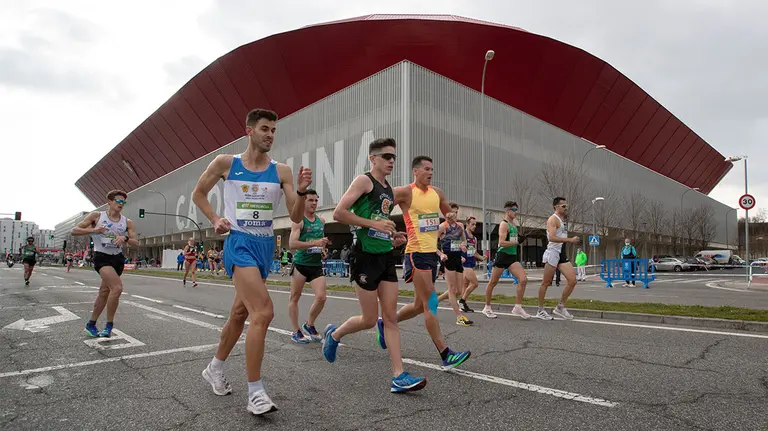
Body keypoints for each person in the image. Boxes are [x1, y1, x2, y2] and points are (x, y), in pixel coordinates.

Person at [193, 108, 311, 416]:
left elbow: (297, 216)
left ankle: (215, 368)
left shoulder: (282, 170)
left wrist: (300, 192)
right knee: (263, 311)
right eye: (264, 129)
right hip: (239, 243)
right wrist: (216, 218)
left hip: (264, 248)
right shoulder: (226, 163)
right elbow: (198, 194)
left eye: (273, 129)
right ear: (249, 131)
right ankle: (255, 392)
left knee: (239, 313)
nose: (270, 134)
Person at [322, 137, 426, 393]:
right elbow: (339, 213)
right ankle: (334, 335)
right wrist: (374, 225)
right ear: (373, 158)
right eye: (386, 156)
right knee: (369, 319)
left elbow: (379, 221)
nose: (391, 161)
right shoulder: (364, 181)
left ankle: (398, 376)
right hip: (365, 258)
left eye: (394, 157)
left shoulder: (388, 190)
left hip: (385, 258)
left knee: (390, 319)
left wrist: (393, 236)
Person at [378, 155, 471, 369]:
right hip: (416, 252)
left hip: (431, 253)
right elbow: (380, 202)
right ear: (416, 171)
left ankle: (385, 322)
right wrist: (386, 226)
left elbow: (448, 212)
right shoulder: (405, 192)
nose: (430, 172)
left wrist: (449, 217)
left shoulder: (437, 193)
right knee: (431, 302)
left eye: (432, 169)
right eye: (426, 169)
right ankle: (445, 354)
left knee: (419, 305)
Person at [72, 190, 138, 337]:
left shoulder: (127, 222)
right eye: (118, 201)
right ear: (109, 201)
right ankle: (109, 326)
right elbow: (75, 230)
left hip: (118, 259)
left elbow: (136, 242)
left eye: (123, 202)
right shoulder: (96, 216)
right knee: (117, 288)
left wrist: (125, 238)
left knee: (104, 292)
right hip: (102, 257)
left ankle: (91, 324)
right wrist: (95, 230)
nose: (121, 204)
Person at [287, 189, 329, 344]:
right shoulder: (299, 221)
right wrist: (314, 243)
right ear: (303, 202)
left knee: (321, 297)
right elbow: (292, 244)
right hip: (300, 265)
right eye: (310, 200)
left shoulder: (321, 221)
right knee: (295, 297)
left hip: (315, 264)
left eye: (316, 200)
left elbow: (319, 241)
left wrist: (323, 250)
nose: (314, 203)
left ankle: (309, 324)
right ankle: (296, 331)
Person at [481, 202, 531, 319]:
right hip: (502, 256)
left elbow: (515, 240)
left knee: (523, 279)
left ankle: (517, 307)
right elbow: (501, 243)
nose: (515, 212)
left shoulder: (514, 225)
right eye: (514, 209)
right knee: (493, 282)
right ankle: (487, 307)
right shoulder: (504, 224)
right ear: (507, 211)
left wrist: (519, 239)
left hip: (512, 257)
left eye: (516, 209)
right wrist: (516, 242)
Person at [537, 197, 581, 320]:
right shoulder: (553, 219)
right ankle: (540, 310)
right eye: (563, 206)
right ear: (556, 207)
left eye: (566, 206)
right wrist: (570, 240)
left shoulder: (562, 220)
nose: (566, 208)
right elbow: (551, 237)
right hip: (552, 253)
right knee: (546, 283)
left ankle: (560, 307)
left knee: (572, 280)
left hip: (561, 253)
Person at [435, 203, 473, 326]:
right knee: (452, 289)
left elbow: (464, 241)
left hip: (457, 258)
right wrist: (440, 254)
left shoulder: (460, 226)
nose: (454, 215)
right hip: (448, 259)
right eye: (452, 212)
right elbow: (430, 243)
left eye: (456, 212)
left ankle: (435, 301)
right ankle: (459, 316)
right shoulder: (442, 227)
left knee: (458, 291)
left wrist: (463, 246)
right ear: (446, 214)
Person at [456, 216, 485, 312]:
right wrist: (459, 257)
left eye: (475, 224)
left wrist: (482, 257)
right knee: (475, 283)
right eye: (472, 224)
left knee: (465, 284)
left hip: (471, 262)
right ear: (467, 224)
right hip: (464, 264)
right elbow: (454, 246)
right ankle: (462, 301)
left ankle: (462, 305)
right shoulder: (462, 235)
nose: (474, 226)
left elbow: (474, 252)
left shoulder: (474, 238)